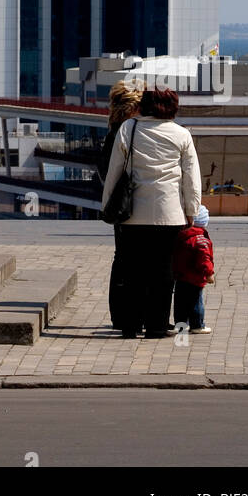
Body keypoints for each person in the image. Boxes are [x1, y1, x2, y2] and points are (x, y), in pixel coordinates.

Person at [101, 84, 201, 339]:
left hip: (133, 213)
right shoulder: (182, 135)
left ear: (144, 106)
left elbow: (114, 172)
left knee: (132, 271)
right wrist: (192, 210)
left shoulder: (129, 128)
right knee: (164, 273)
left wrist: (107, 206)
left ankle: (131, 325)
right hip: (171, 214)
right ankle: (157, 326)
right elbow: (191, 178)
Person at [98, 81, 143, 330]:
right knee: (125, 259)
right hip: (126, 203)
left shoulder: (116, 129)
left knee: (123, 258)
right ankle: (121, 314)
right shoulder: (122, 132)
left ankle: (121, 313)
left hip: (121, 203)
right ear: (130, 108)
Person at [172, 204, 214, 335]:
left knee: (180, 303)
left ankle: (181, 325)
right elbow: (204, 258)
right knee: (196, 303)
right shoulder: (201, 239)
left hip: (180, 276)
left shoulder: (182, 236)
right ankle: (197, 325)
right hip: (195, 278)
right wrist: (209, 273)